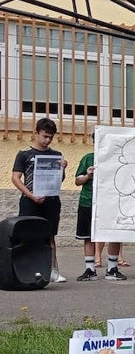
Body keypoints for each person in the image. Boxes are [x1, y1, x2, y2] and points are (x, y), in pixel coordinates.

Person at [11, 117, 69, 282]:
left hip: (50, 200)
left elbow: (60, 180)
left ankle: (53, 270)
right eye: (44, 136)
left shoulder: (56, 155)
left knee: (49, 236)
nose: (47, 140)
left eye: (50, 137)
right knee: (27, 235)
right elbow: (15, 178)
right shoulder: (24, 155)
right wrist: (30, 195)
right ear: (36, 133)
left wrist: (63, 168)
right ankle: (25, 270)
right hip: (29, 200)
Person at [74, 143, 125, 281]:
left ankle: (112, 268)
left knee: (114, 233)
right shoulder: (88, 158)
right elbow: (77, 181)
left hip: (111, 201)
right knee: (88, 236)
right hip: (88, 201)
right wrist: (87, 175)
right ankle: (90, 270)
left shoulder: (116, 158)